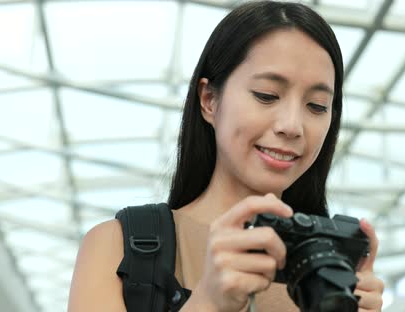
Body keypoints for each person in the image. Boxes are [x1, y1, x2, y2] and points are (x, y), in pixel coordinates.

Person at [68, 1, 384, 311]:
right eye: (266, 95)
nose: (292, 126)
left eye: (317, 105)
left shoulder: (333, 273)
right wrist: (208, 302)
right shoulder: (117, 246)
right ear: (208, 99)